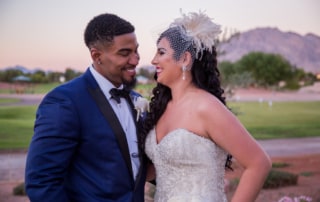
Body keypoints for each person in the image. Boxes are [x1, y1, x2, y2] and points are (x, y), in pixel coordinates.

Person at [141, 11, 272, 202]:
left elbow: (259, 163)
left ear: (185, 59)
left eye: (161, 52)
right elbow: (165, 166)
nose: (154, 60)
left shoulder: (207, 107)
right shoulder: (163, 108)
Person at [25, 13, 147, 202]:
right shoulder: (64, 102)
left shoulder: (137, 99)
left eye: (136, 50)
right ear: (96, 55)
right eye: (125, 53)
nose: (135, 60)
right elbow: (42, 182)